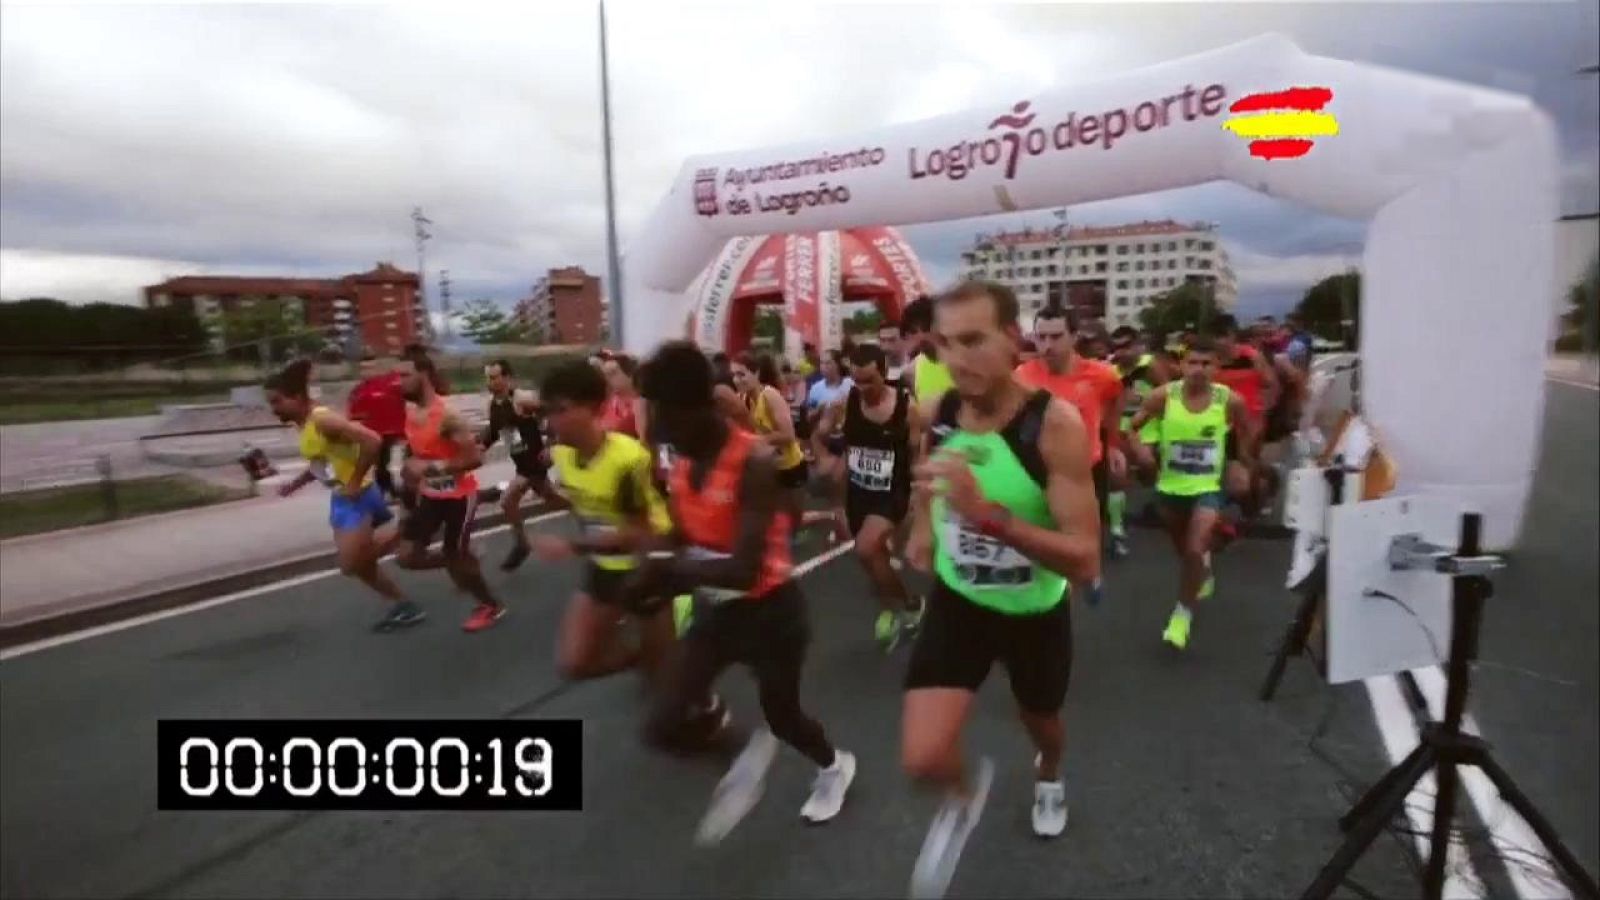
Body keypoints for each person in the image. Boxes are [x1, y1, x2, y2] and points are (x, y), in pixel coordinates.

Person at [902, 281, 1100, 898]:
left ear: (1013, 338)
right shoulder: (937, 411)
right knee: (923, 756)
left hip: (1033, 610)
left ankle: (1049, 772)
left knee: (1040, 719)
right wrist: (923, 528)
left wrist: (987, 516)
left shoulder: (1053, 426)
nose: (957, 360)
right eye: (944, 344)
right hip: (959, 600)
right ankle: (963, 798)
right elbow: (929, 477)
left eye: (973, 341)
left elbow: (1085, 559)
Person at [626, 341, 856, 843]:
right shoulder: (683, 462)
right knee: (661, 724)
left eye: (662, 415)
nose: (655, 429)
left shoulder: (752, 460)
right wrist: (647, 572)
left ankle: (835, 766)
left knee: (784, 717)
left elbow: (744, 570)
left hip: (771, 614)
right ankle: (740, 759)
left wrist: (671, 573)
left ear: (692, 407)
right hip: (717, 614)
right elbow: (682, 534)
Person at [530, 362, 687, 692]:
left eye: (561, 410)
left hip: (650, 564)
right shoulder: (561, 455)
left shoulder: (627, 459)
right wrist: (544, 492)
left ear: (595, 409)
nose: (551, 421)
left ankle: (688, 687)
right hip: (606, 564)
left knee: (667, 682)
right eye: (547, 411)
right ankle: (647, 658)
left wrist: (573, 546)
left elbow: (639, 533)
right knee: (574, 664)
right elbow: (583, 504)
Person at [266, 359, 422, 631]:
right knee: (360, 566)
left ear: (298, 398)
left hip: (357, 496)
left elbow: (372, 441)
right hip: (342, 497)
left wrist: (353, 481)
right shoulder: (305, 423)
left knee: (350, 564)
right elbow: (323, 461)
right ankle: (404, 605)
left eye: (277, 402)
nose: (273, 409)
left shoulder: (323, 419)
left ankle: (411, 527)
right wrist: (296, 484)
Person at [1126, 336, 1254, 651]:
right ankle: (1202, 572)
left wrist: (1240, 463)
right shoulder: (1163, 396)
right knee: (1184, 549)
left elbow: (1247, 430)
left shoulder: (1229, 401)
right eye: (1193, 362)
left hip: (1207, 487)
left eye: (1206, 363)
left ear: (1217, 367)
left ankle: (1181, 616)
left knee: (1195, 548)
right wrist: (1141, 453)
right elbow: (1131, 427)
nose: (1198, 369)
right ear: (1181, 365)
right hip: (1170, 487)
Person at [810, 342, 923, 649]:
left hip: (892, 491)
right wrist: (824, 459)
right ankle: (903, 605)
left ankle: (901, 607)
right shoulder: (845, 402)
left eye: (869, 381)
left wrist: (918, 498)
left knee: (865, 547)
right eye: (857, 381)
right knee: (873, 558)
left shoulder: (907, 408)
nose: (862, 388)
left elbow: (917, 454)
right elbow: (819, 435)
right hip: (858, 491)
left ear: (884, 374)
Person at [1015, 306, 1124, 596]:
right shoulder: (1022, 376)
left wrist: (1113, 444)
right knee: (1047, 541)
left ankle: (1088, 572)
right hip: (1040, 470)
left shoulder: (1103, 375)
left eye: (1056, 337)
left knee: (1086, 536)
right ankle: (1056, 594)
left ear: (1074, 337)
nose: (1047, 346)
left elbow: (1114, 405)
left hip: (1087, 469)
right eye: (1041, 337)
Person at [394, 352, 507, 632]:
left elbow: (475, 459)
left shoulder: (447, 415)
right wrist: (408, 476)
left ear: (423, 374)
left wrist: (432, 467)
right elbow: (415, 453)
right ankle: (462, 559)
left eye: (405, 375)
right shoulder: (411, 412)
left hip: (459, 498)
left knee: (455, 556)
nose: (399, 382)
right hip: (429, 496)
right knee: (407, 556)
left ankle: (490, 605)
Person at [481, 359, 559, 571]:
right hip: (520, 460)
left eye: (494, 377)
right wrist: (481, 446)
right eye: (487, 377)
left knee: (508, 501)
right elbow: (495, 430)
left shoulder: (521, 399)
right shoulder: (492, 404)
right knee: (551, 498)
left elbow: (552, 414)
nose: (490, 381)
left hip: (534, 460)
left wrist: (550, 445)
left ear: (506, 377)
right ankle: (585, 509)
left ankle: (522, 544)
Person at [731, 352, 809, 517]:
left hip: (790, 467)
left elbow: (788, 435)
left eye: (741, 374)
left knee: (793, 519)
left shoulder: (769, 395)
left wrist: (753, 440)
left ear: (756, 373)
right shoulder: (741, 399)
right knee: (774, 520)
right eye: (734, 375)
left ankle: (830, 517)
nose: (736, 380)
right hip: (769, 469)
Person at [346, 352, 408, 505]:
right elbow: (351, 413)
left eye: (370, 368)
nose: (367, 372)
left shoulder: (390, 384)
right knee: (380, 464)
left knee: (385, 463)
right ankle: (389, 491)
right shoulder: (358, 391)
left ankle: (391, 491)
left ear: (376, 368)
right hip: (371, 434)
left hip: (392, 432)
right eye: (364, 369)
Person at [901, 295, 955, 413]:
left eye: (926, 329)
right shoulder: (911, 372)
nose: (921, 337)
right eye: (913, 331)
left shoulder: (963, 363)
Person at [600, 354, 643, 439]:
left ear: (630, 374)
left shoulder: (647, 402)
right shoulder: (604, 406)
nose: (607, 379)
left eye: (612, 373)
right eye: (604, 375)